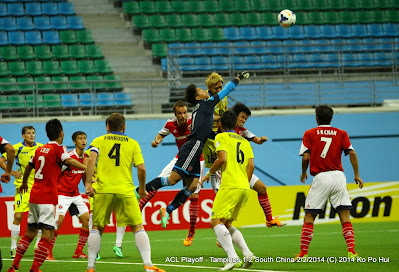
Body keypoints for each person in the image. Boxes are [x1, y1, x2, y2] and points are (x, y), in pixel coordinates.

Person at [142, 71, 249, 230]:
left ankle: (168, 210)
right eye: (200, 90)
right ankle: (139, 190)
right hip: (193, 145)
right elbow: (227, 90)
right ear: (198, 97)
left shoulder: (201, 110)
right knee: (172, 180)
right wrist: (238, 78)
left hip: (198, 147)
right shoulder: (207, 104)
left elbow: (208, 132)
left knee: (192, 186)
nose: (204, 90)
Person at [84, 113, 165, 272]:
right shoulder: (133, 143)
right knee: (137, 227)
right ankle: (148, 264)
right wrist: (142, 189)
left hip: (103, 189)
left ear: (107, 127)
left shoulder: (98, 141)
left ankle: (91, 267)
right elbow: (141, 168)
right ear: (124, 127)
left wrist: (88, 183)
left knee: (96, 228)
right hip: (125, 190)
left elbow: (91, 160)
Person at [8, 119, 87, 272]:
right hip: (47, 198)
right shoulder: (59, 149)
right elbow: (69, 160)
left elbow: (30, 166)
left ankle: (15, 264)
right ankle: (35, 268)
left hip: (34, 195)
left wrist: (24, 183)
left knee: (30, 231)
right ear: (61, 133)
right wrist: (86, 167)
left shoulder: (40, 149)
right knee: (48, 233)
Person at [296, 105, 364, 259]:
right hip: (339, 176)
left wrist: (303, 172)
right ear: (331, 118)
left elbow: (306, 157)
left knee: (309, 217)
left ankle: (303, 254)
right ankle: (352, 252)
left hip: (321, 177)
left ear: (317, 118)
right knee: (344, 215)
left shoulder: (309, 133)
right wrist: (357, 175)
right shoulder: (341, 133)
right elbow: (352, 153)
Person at [138, 100, 205, 246]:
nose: (183, 116)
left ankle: (189, 231)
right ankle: (138, 204)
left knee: (193, 191)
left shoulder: (193, 121)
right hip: (180, 157)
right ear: (175, 114)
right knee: (161, 179)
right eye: (180, 113)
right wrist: (156, 141)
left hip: (197, 159)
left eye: (184, 112)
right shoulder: (170, 124)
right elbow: (161, 134)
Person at [201, 110, 255, 271]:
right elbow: (251, 166)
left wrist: (208, 174)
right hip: (244, 187)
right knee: (227, 223)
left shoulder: (221, 136)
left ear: (219, 125)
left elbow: (222, 158)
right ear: (235, 124)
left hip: (229, 185)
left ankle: (232, 257)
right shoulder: (245, 141)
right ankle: (247, 253)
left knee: (215, 221)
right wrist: (243, 182)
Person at [231, 102, 286, 228]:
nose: (244, 120)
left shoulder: (243, 131)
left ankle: (269, 220)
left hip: (241, 170)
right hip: (229, 172)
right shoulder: (224, 127)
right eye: (242, 117)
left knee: (262, 188)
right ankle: (223, 233)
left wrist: (261, 139)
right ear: (235, 115)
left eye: (246, 118)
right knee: (232, 201)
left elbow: (256, 140)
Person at [0, 127, 43, 258]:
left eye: (33, 133)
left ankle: (38, 245)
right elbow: (1, 160)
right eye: (29, 133)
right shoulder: (17, 148)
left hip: (38, 187)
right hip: (22, 187)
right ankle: (13, 247)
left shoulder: (41, 148)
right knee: (18, 216)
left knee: (41, 217)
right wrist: (11, 172)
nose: (32, 135)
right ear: (23, 136)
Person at [47, 131, 90, 260]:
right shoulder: (68, 158)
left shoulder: (86, 158)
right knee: (58, 222)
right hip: (62, 194)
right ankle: (48, 253)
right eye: (80, 138)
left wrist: (88, 185)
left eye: (85, 138)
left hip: (75, 194)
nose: (83, 141)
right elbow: (56, 174)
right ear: (74, 142)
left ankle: (78, 252)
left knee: (87, 221)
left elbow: (83, 174)